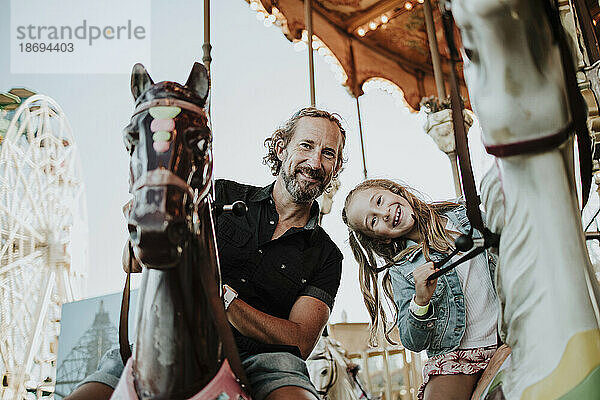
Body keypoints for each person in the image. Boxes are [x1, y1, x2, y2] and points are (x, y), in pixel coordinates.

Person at [66, 107, 346, 400]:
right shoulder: (220, 195)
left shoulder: (327, 255)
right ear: (281, 148)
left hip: (265, 363)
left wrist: (224, 299)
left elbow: (300, 341)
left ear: (336, 168)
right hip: (175, 340)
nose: (315, 162)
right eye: (306, 145)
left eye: (329, 154)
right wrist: (144, 226)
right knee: (98, 386)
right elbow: (133, 263)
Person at [341, 179, 499, 400]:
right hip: (457, 356)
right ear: (383, 239)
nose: (383, 214)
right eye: (373, 220)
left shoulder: (462, 215)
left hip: (506, 332)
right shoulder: (402, 269)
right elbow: (411, 340)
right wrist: (421, 301)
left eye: (379, 200)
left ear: (395, 191)